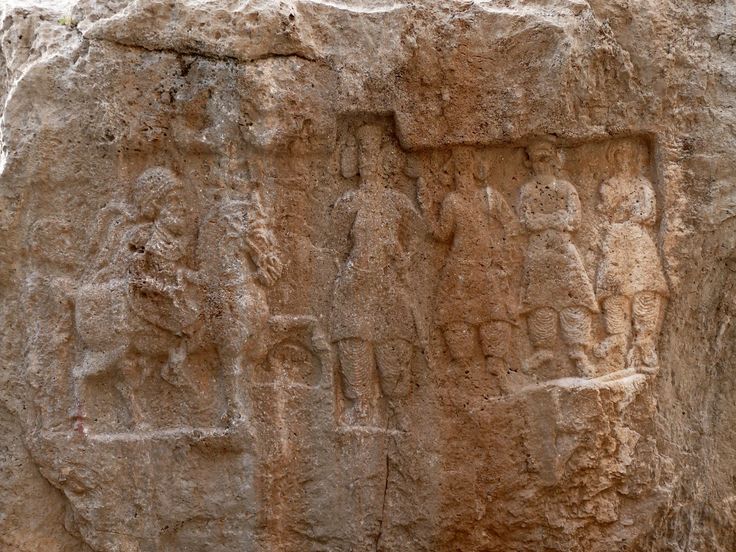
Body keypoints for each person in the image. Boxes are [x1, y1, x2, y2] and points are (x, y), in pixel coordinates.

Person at [331, 124, 421, 425]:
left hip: (389, 282)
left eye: (373, 154)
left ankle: (396, 405)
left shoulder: (398, 203)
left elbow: (416, 241)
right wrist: (349, 274)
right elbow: (334, 247)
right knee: (354, 340)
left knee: (393, 341)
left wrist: (403, 260)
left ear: (385, 159)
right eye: (362, 154)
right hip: (356, 281)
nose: (367, 162)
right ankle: (359, 402)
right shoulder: (347, 203)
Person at [417, 146, 518, 392]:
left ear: (475, 169)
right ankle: (462, 368)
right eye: (457, 170)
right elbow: (442, 233)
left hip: (485, 264)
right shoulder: (452, 201)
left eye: (466, 168)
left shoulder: (490, 197)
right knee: (456, 317)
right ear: (452, 174)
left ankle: (498, 367)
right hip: (459, 265)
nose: (462, 175)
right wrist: (425, 204)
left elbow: (511, 225)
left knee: (495, 316)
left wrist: (502, 256)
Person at [518, 139, 598, 377]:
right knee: (540, 302)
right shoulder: (527, 190)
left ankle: (578, 353)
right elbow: (525, 221)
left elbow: (573, 220)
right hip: (540, 254)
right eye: (537, 160)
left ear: (554, 161)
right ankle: (543, 350)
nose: (542, 165)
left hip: (564, 252)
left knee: (575, 301)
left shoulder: (565, 188)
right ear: (530, 163)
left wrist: (545, 221)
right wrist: (555, 220)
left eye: (546, 159)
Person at [595, 142, 668, 373]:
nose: (624, 159)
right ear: (614, 158)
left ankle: (644, 344)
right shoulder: (609, 184)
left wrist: (624, 211)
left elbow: (648, 213)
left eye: (628, 155)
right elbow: (607, 210)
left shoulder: (644, 184)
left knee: (645, 287)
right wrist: (625, 211)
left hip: (638, 241)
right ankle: (617, 344)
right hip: (616, 240)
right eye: (619, 155)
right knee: (615, 290)